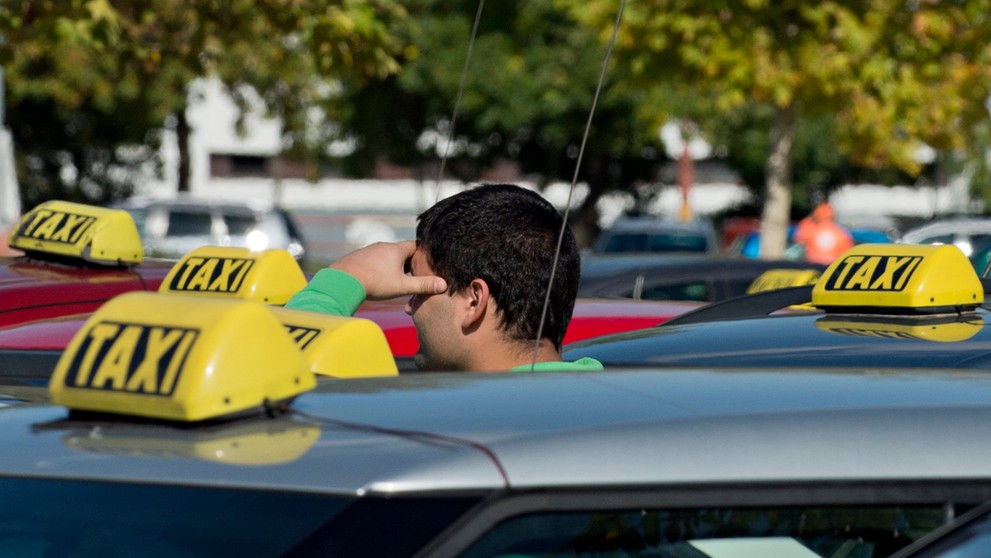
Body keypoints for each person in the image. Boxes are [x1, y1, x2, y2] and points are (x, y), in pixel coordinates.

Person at [286, 183, 603, 373]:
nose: (409, 307)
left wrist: (343, 279)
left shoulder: (445, 425)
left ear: (473, 301)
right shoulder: (622, 408)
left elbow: (274, 369)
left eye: (420, 288)